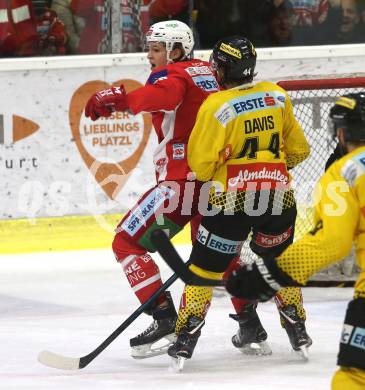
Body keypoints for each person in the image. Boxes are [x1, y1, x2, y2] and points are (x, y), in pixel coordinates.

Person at [166, 35, 312, 366]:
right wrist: (268, 169)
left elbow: (201, 165)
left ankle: (187, 334)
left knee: (203, 268)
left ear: (221, 67)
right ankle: (296, 326)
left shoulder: (216, 106)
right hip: (278, 200)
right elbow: (300, 151)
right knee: (278, 262)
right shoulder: (276, 95)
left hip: (230, 203)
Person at [84, 20, 220, 359]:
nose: (150, 55)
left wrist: (119, 99)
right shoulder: (210, 72)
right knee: (215, 255)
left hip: (180, 184)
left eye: (156, 49)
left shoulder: (171, 76)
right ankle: (250, 323)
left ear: (176, 50)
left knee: (125, 241)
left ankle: (163, 316)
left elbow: (166, 94)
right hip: (216, 184)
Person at [225, 92, 365, 389]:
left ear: (341, 132)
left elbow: (332, 242)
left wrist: (271, 274)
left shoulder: (343, 173)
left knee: (353, 377)